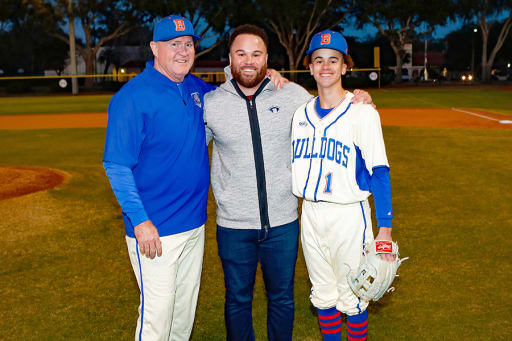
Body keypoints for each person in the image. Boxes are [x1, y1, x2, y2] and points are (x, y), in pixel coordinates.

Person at [103, 15, 289, 341]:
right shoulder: (131, 98)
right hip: (155, 230)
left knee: (182, 318)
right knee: (156, 320)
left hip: (194, 227)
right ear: (154, 48)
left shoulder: (196, 89)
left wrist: (265, 74)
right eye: (173, 44)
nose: (182, 51)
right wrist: (141, 221)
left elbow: (235, 87)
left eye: (188, 44)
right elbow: (116, 166)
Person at [203, 25, 374, 341]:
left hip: (283, 222)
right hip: (233, 224)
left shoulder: (293, 95)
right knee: (237, 300)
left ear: (267, 58)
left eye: (256, 54)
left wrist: (359, 98)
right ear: (230, 58)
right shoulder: (213, 104)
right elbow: (188, 154)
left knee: (282, 298)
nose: (249, 61)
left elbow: (330, 106)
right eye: (241, 54)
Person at [291, 30, 394, 341]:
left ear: (345, 67)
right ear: (309, 67)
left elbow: (380, 171)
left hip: (349, 215)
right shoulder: (300, 114)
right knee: (323, 293)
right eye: (319, 60)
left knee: (354, 294)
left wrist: (385, 229)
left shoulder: (362, 113)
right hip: (309, 213)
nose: (326, 66)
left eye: (333, 60)